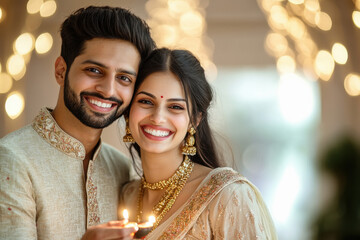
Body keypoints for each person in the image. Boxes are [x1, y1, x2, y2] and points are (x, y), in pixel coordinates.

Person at [0, 6, 155, 240]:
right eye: (94, 70)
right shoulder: (12, 159)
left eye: (124, 78)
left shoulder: (122, 169)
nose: (108, 90)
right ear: (61, 71)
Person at [120, 48, 278, 239]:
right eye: (146, 101)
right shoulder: (125, 196)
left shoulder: (227, 196)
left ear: (195, 119)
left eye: (175, 107)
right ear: (128, 110)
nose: (158, 117)